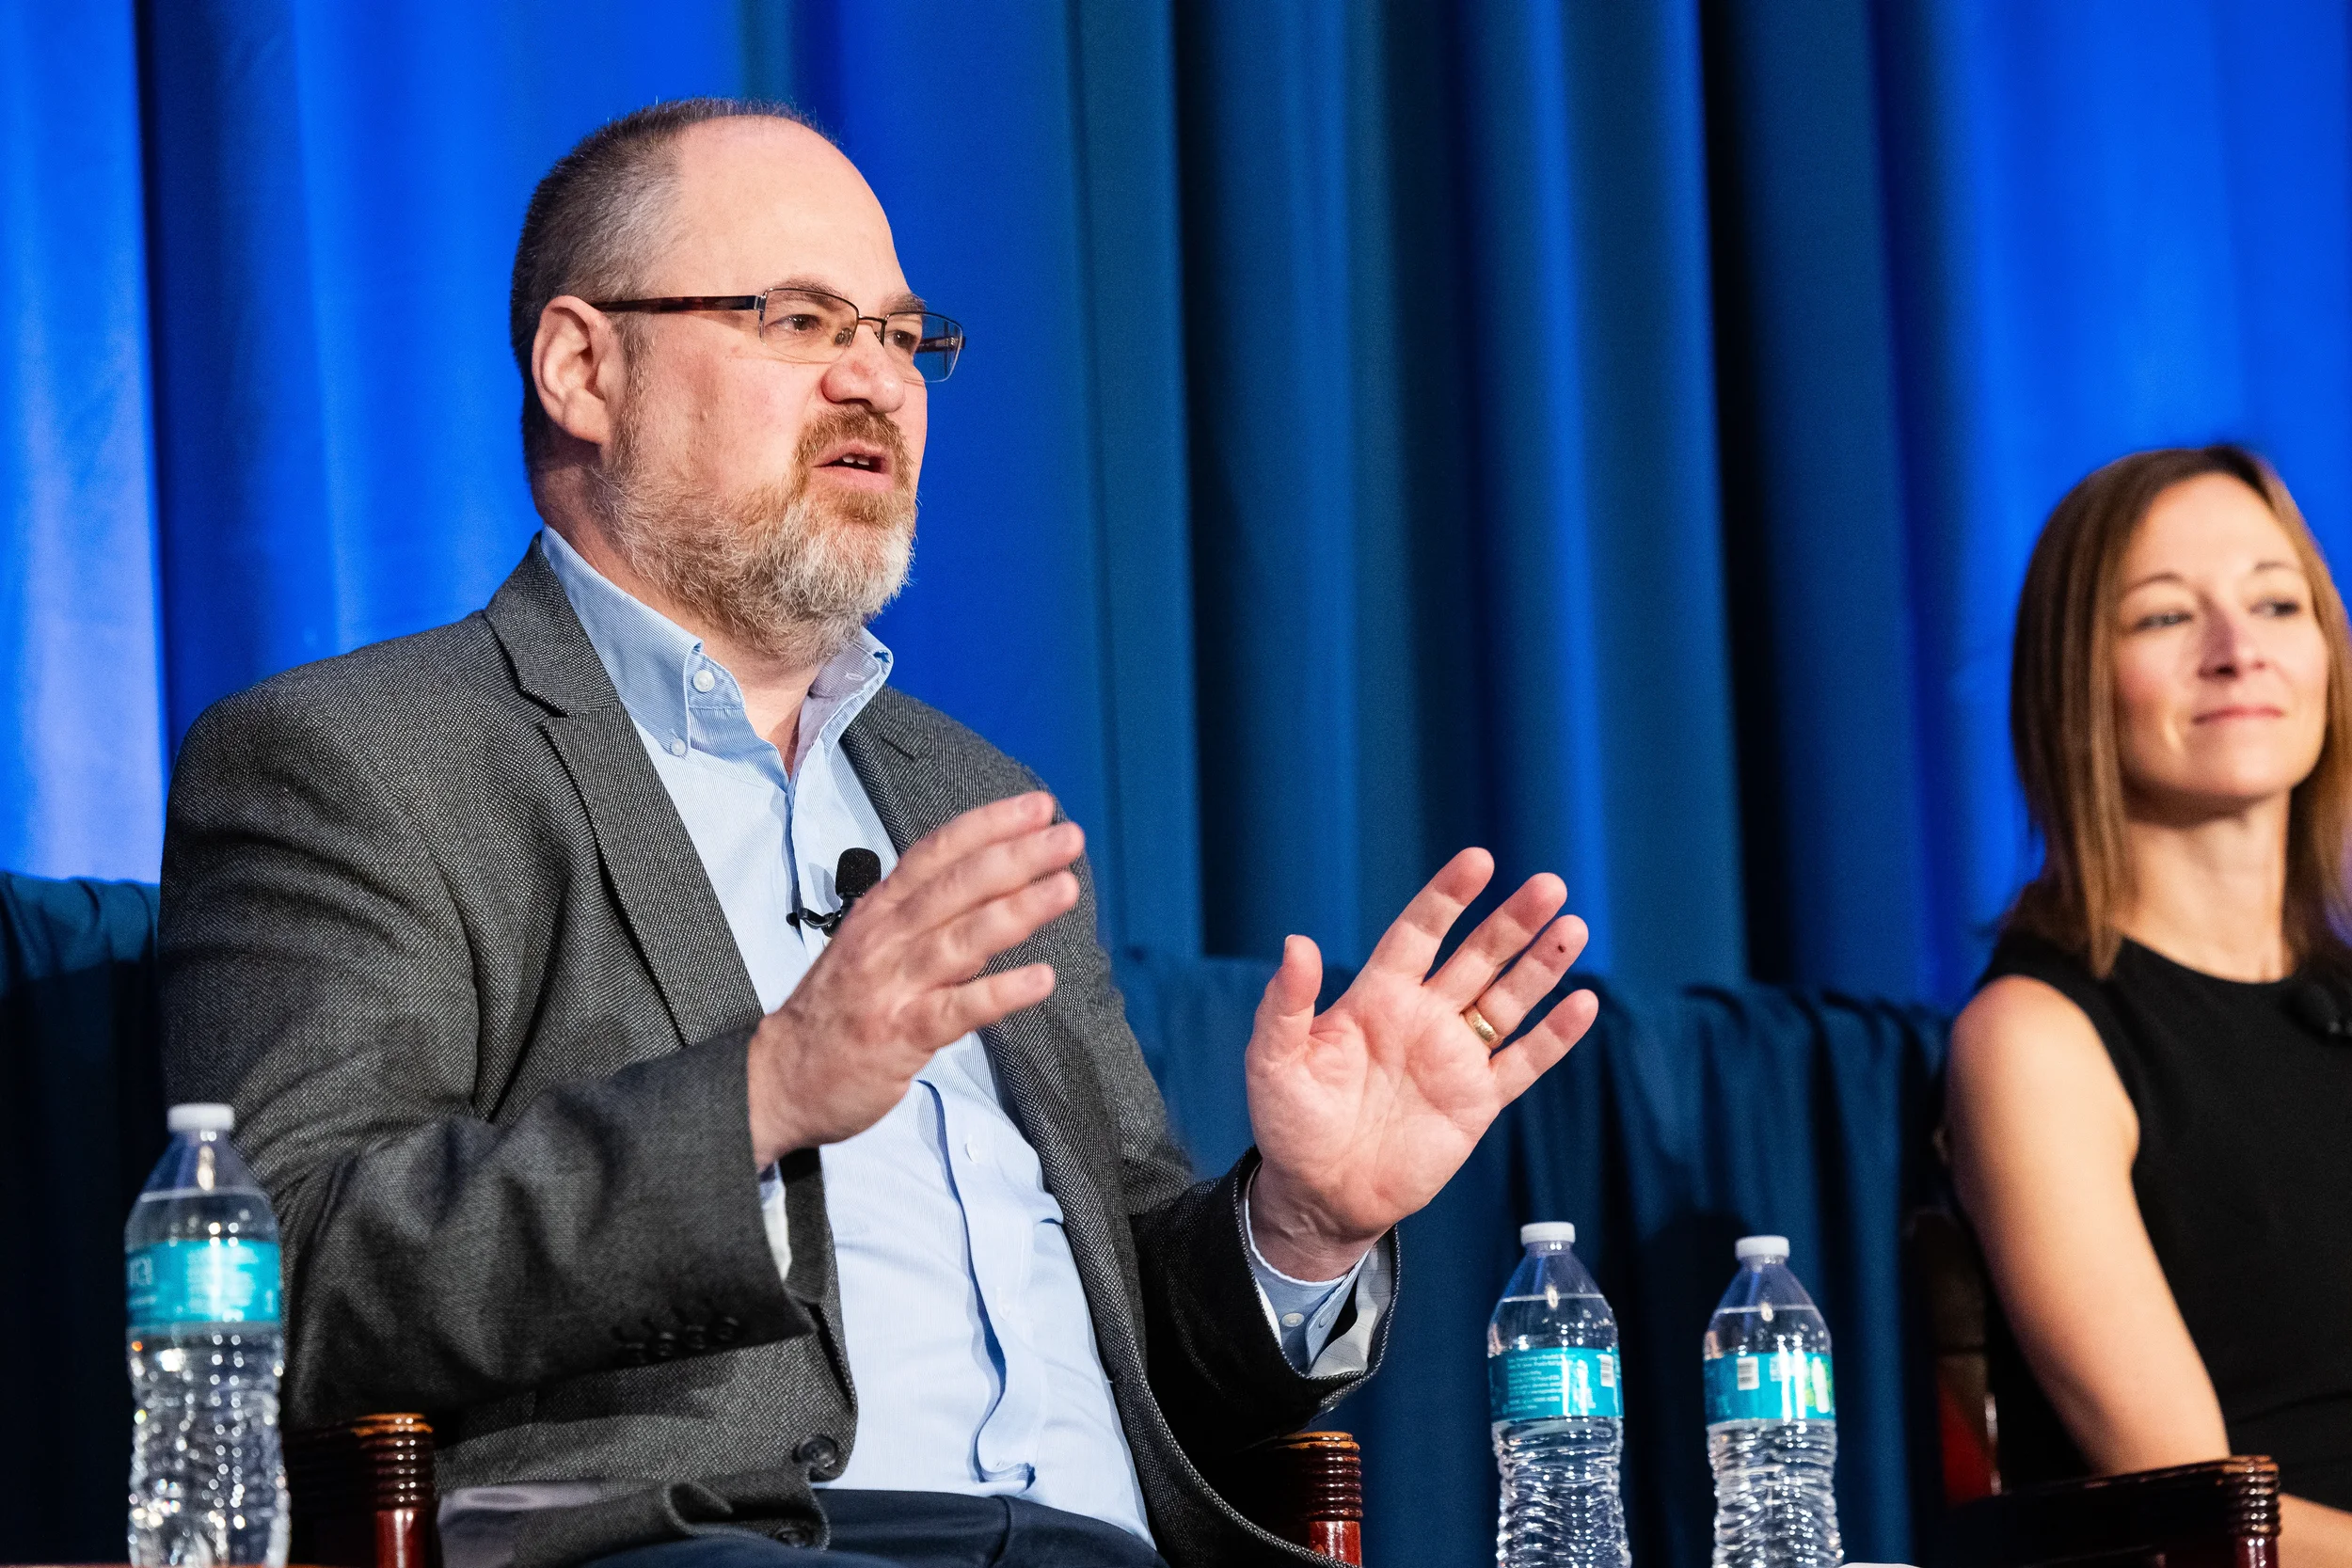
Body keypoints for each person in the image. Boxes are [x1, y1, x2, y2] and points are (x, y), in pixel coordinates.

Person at [159, 98, 1601, 1568]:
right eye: (799, 319)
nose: (878, 382)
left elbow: (1159, 1354)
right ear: (586, 367)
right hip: (727, 1544)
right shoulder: (367, 755)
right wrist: (762, 1093)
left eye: (905, 337)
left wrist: (1297, 1226)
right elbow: (283, 1274)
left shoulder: (971, 799)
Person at [1948, 445, 2352, 1564]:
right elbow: (2199, 1506)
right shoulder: (2036, 1041)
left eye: (2277, 602)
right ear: (2072, 679)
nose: (2239, 651)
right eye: (2166, 618)